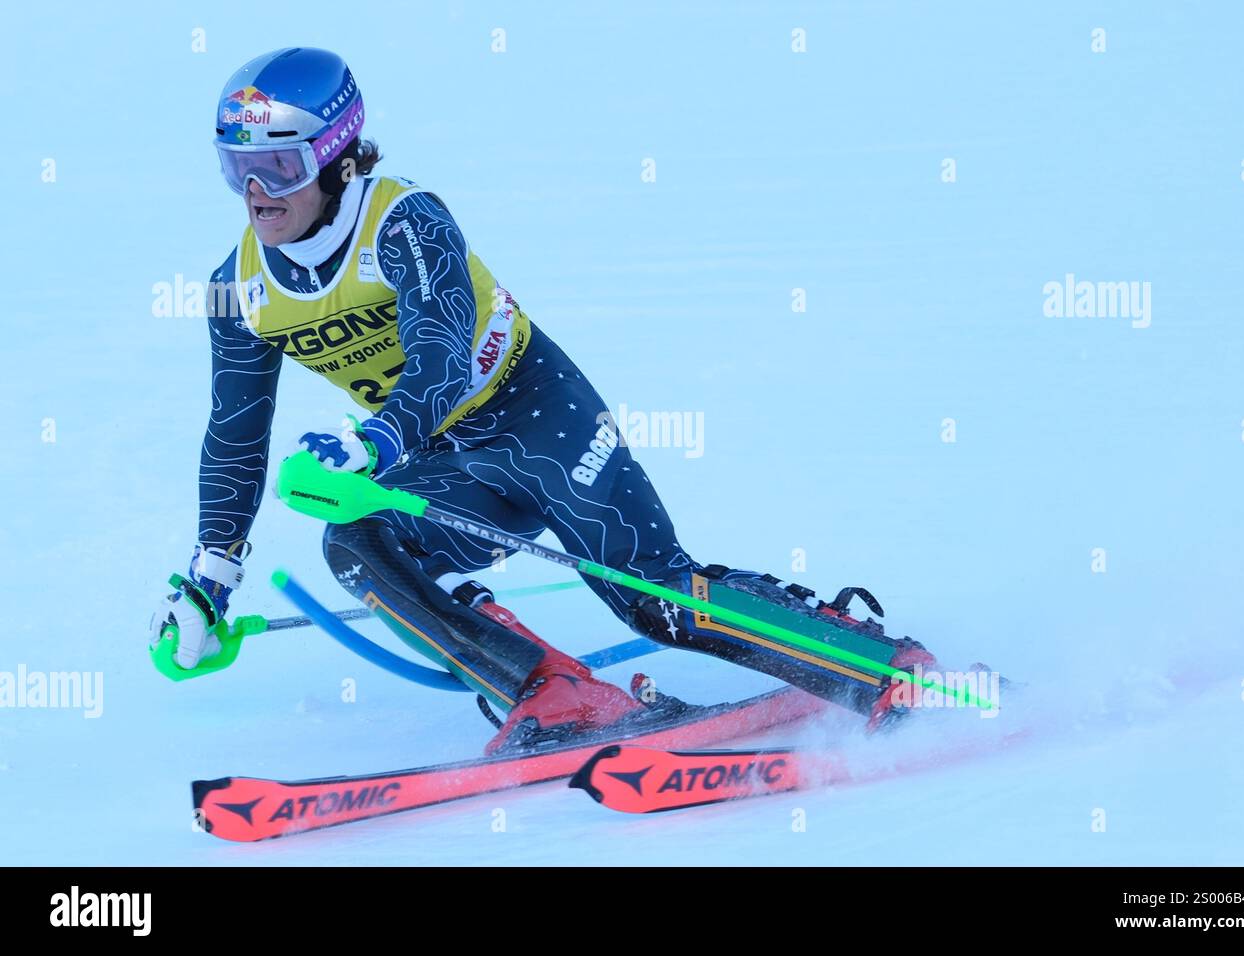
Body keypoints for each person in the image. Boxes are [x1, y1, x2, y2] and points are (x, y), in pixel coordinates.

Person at [149, 48, 923, 752]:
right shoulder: (237, 288)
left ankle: (873, 663)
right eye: (235, 169)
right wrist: (209, 578)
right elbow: (235, 437)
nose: (256, 194)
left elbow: (443, 357)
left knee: (657, 604)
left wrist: (373, 444)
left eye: (279, 168)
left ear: (336, 158)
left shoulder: (404, 220)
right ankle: (555, 692)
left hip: (539, 417)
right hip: (451, 460)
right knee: (355, 539)